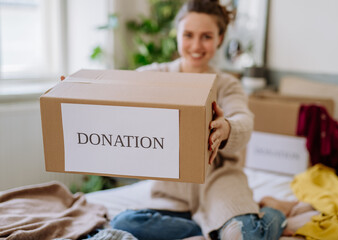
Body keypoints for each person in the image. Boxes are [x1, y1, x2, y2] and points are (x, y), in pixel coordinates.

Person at [110, 0, 297, 239]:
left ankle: (275, 210)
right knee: (124, 223)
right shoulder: (155, 75)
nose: (196, 45)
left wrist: (227, 127)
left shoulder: (228, 84)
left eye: (206, 37)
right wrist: (80, 90)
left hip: (219, 184)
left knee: (243, 236)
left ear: (220, 38)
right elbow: (116, 89)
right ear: (176, 35)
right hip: (172, 192)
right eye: (188, 35)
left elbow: (244, 119)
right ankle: (213, 228)